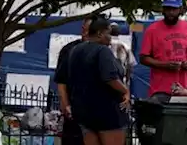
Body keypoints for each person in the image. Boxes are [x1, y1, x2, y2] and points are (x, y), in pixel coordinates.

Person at [66, 18, 132, 145]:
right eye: (108, 33)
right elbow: (110, 78)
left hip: (83, 111)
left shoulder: (75, 50)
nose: (110, 38)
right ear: (99, 34)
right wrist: (125, 91)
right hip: (107, 112)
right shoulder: (102, 50)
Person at [140, 0, 187, 100]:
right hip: (160, 89)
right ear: (163, 9)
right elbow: (143, 58)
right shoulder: (152, 30)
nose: (171, 12)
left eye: (174, 9)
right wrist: (165, 65)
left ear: (180, 9)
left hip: (185, 88)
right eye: (167, 9)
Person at [56, 15, 98, 145]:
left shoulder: (103, 51)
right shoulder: (69, 50)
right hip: (74, 109)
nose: (86, 33)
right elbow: (61, 81)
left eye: (90, 30)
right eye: (84, 29)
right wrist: (65, 104)